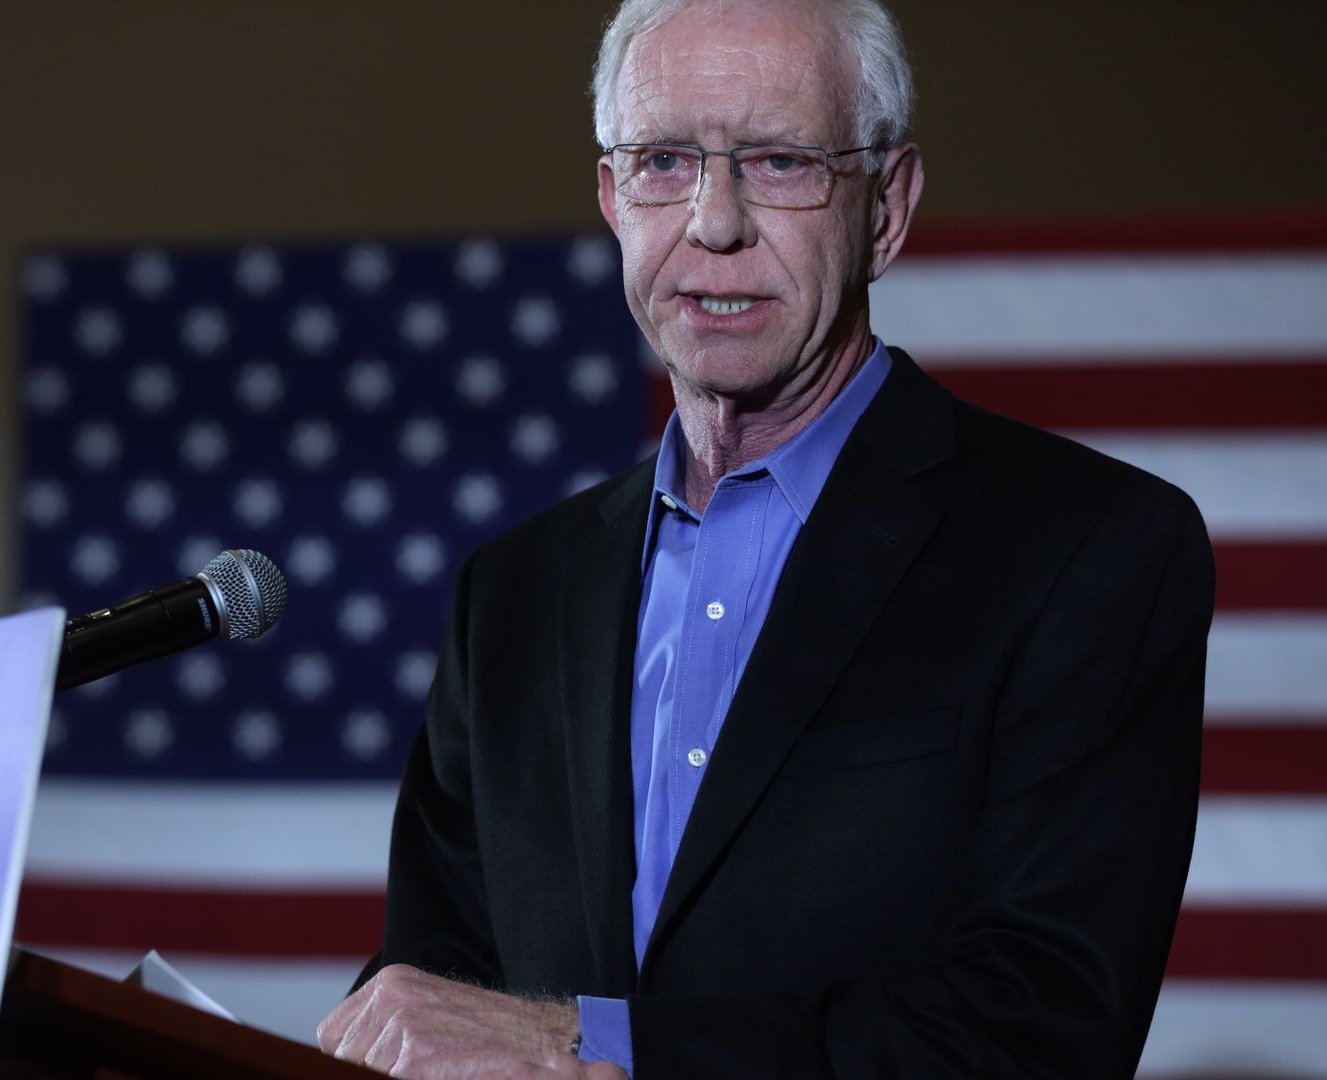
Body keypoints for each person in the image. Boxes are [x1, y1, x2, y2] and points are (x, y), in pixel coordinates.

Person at [318, 0, 1214, 1075]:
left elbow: (1044, 1024)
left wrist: (591, 1043)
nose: (715, 221)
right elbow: (443, 989)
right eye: (663, 161)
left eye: (781, 161)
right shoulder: (512, 590)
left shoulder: (1090, 549)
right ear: (612, 199)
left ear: (887, 207)